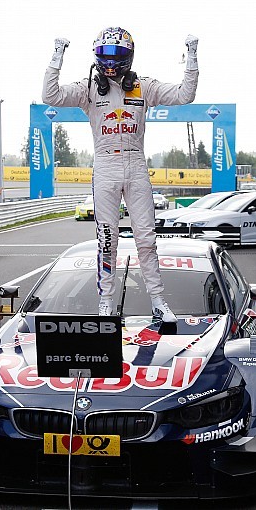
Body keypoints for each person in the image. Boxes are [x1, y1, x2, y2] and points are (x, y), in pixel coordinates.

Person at [43, 27, 199, 323]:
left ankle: (158, 300)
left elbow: (185, 94)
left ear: (129, 56)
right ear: (96, 57)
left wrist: (191, 56)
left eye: (117, 55)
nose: (111, 62)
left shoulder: (144, 85)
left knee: (146, 238)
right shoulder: (88, 87)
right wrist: (57, 55)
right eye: (104, 55)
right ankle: (105, 301)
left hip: (136, 164)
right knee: (106, 238)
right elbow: (50, 94)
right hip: (105, 165)